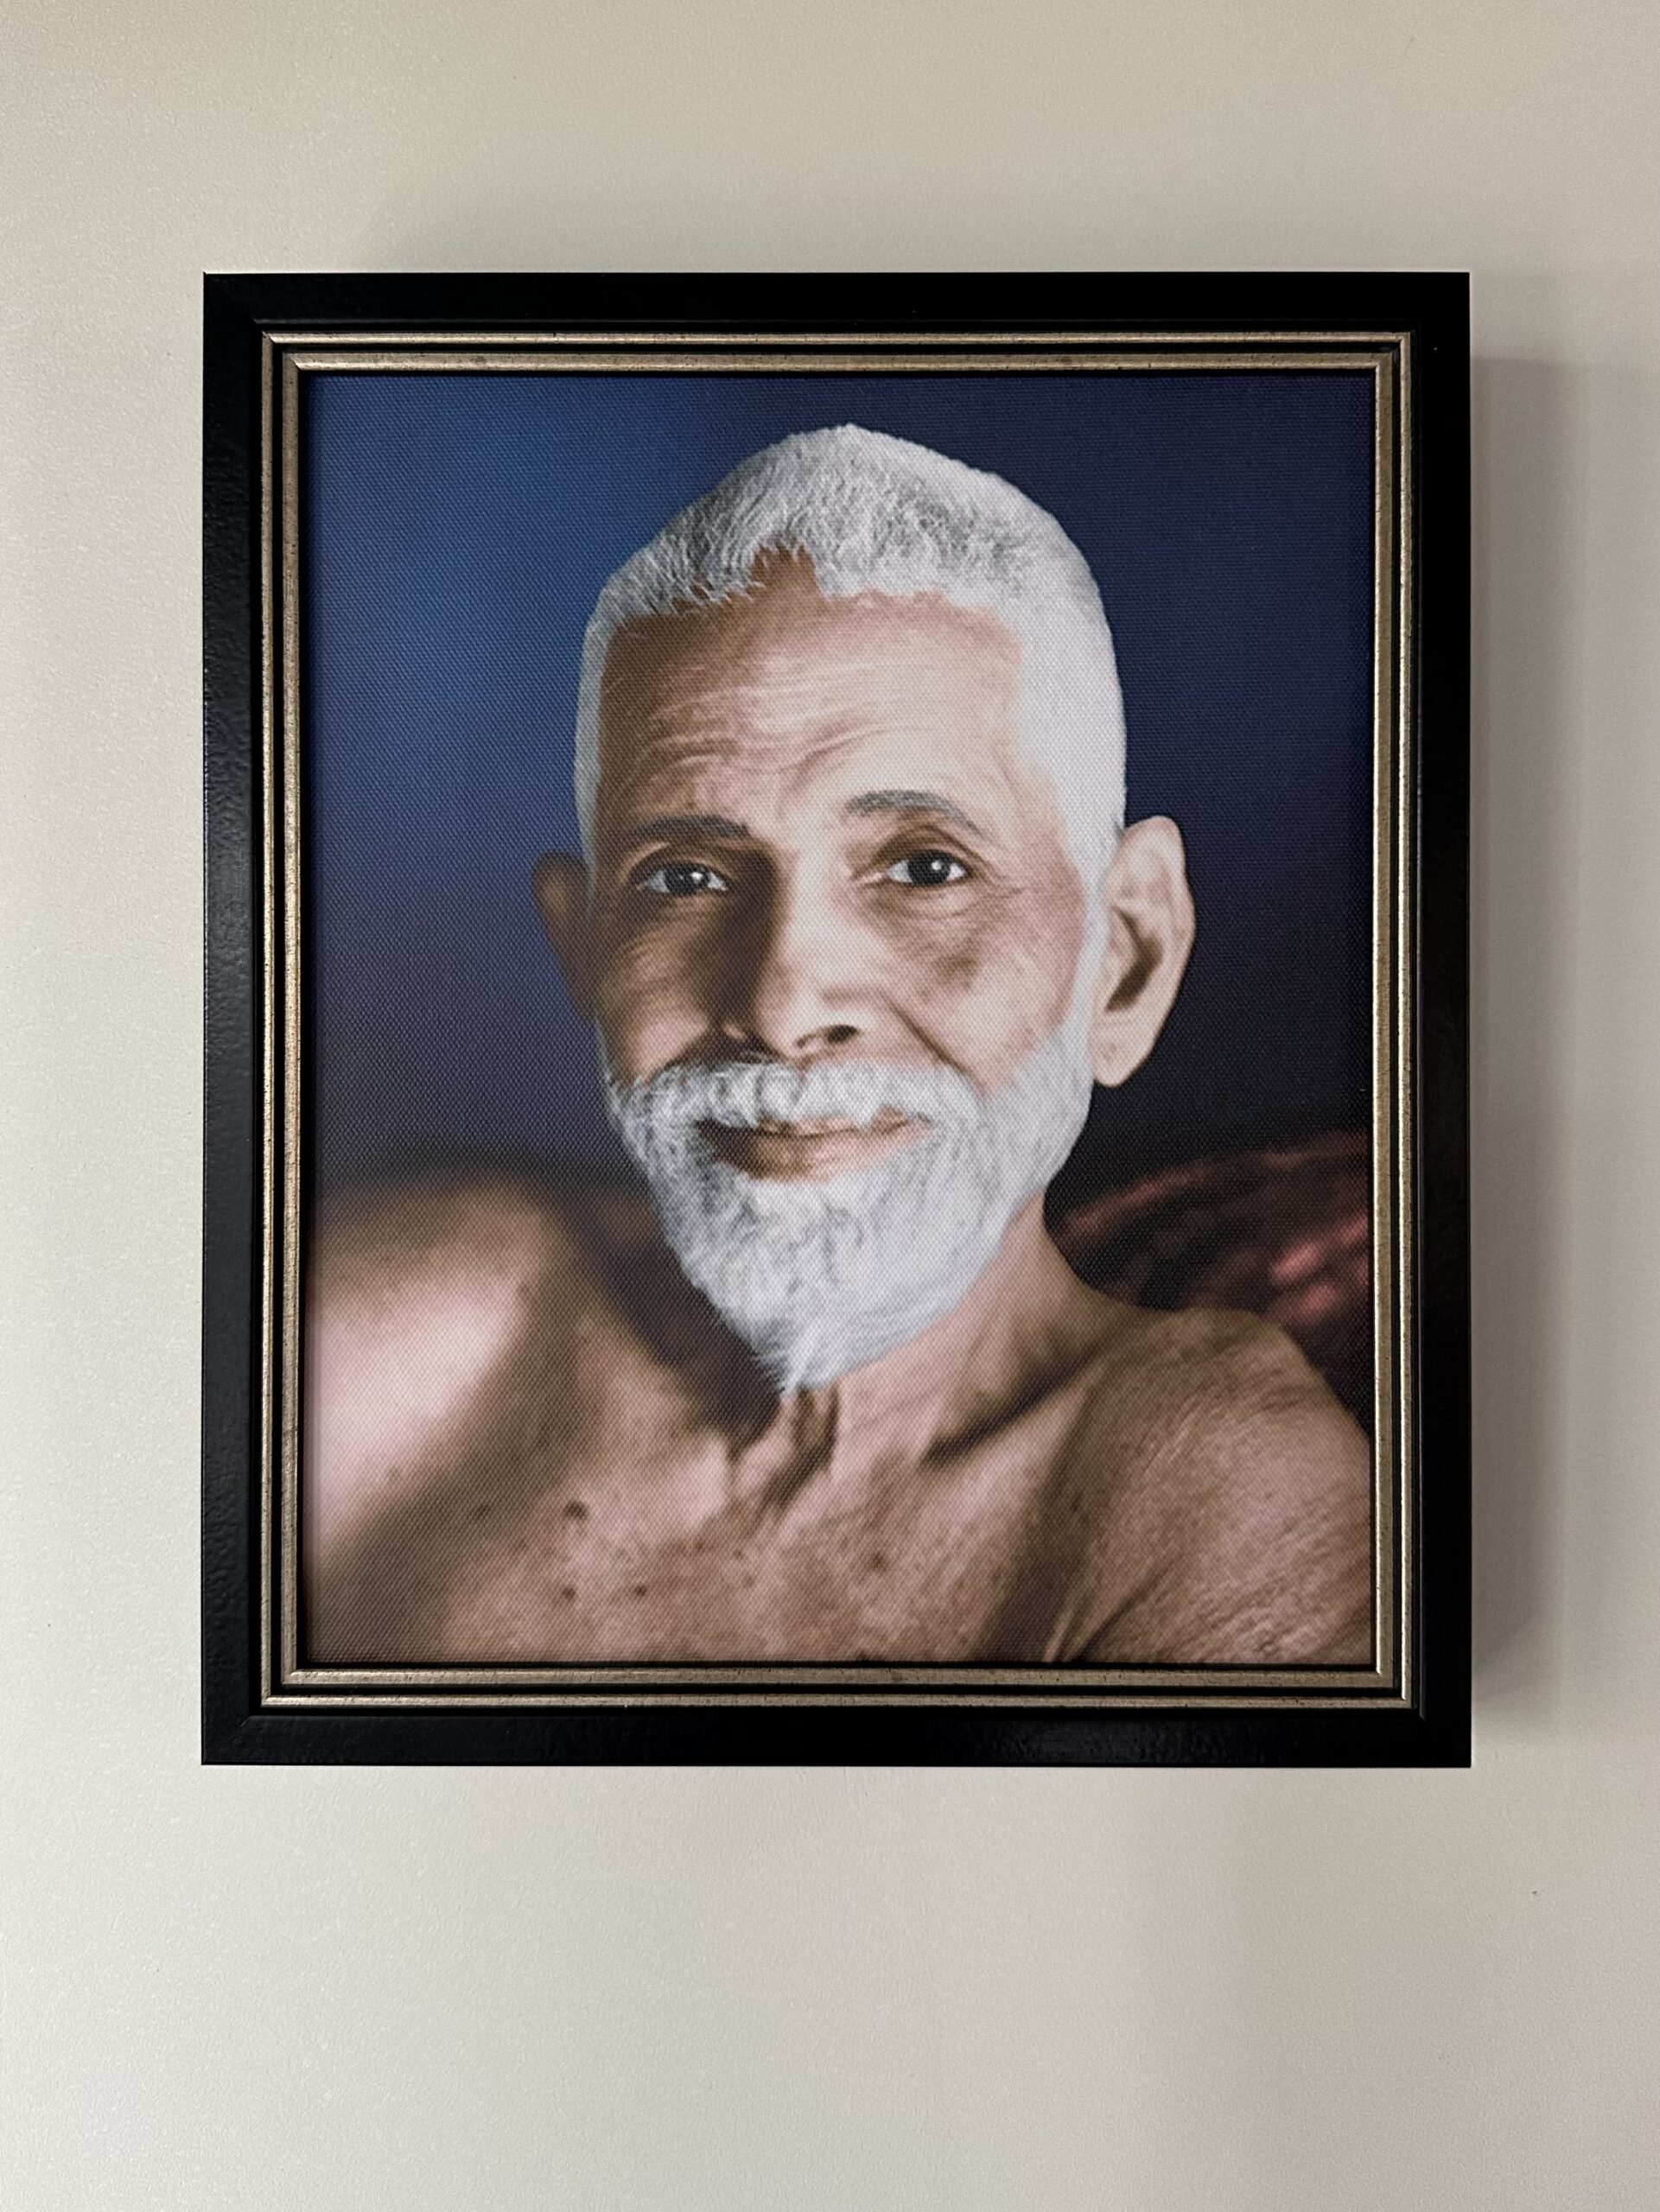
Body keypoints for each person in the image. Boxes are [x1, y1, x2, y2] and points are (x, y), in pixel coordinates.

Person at [305, 426, 1371, 1667]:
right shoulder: (408, 1332)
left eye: (924, 868)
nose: (781, 1004)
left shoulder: (1216, 1507)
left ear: (1124, 959)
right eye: (687, 876)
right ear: (582, 950)